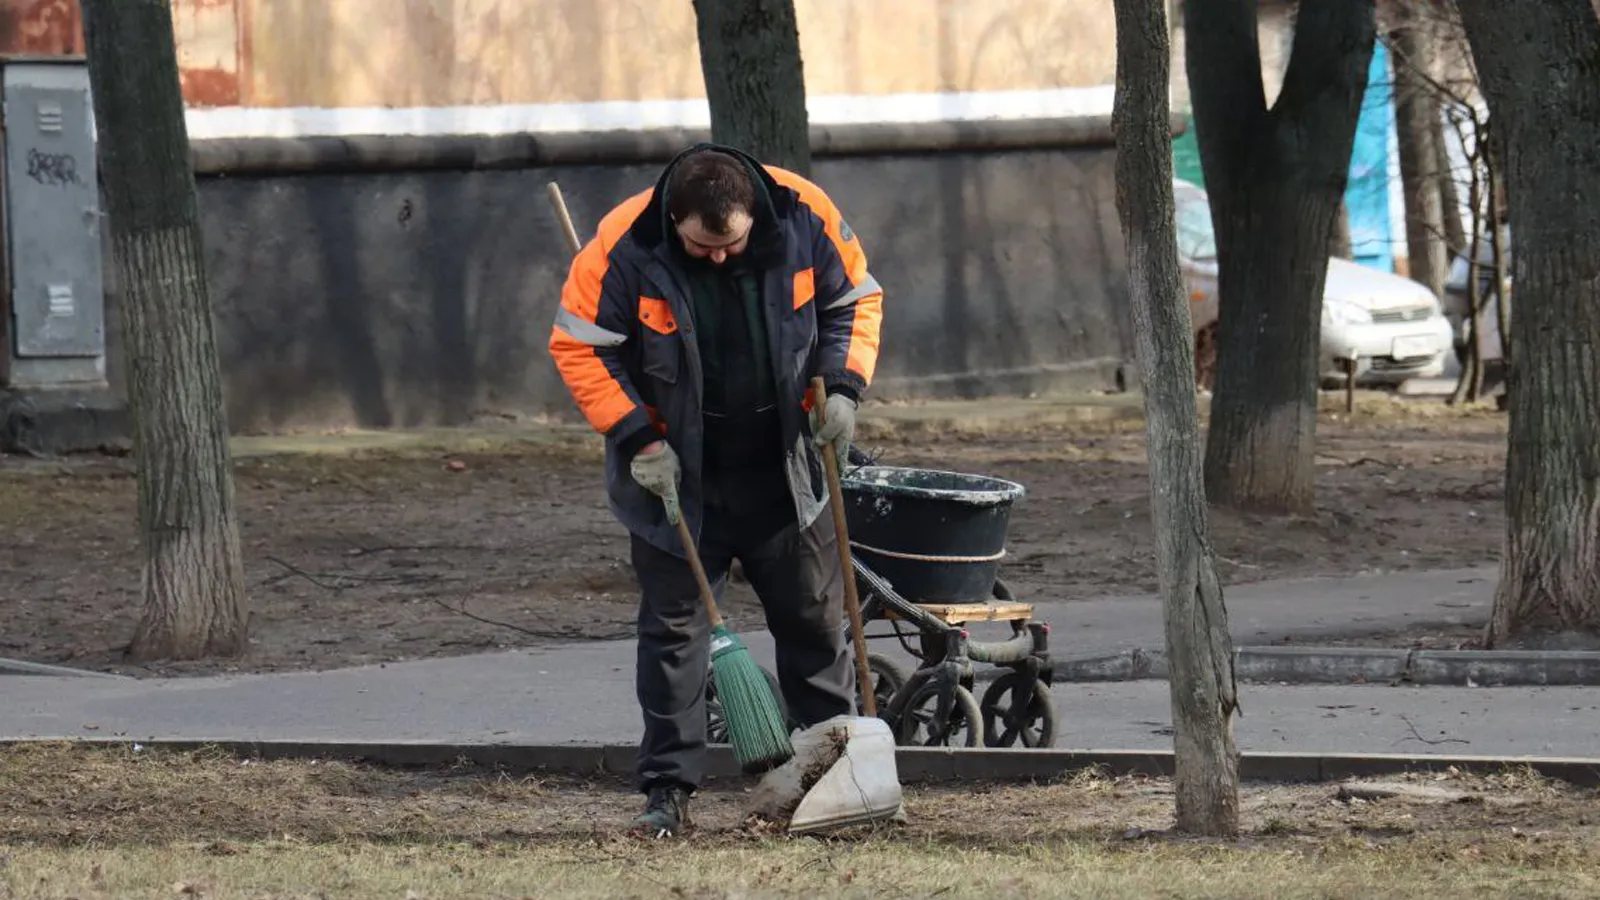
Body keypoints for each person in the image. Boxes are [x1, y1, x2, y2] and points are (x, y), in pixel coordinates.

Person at [547, 142, 885, 837]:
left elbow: (854, 301)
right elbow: (579, 346)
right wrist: (638, 439)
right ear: (674, 221)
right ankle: (667, 794)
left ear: (752, 214)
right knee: (673, 639)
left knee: (815, 625)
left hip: (784, 473)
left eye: (733, 243)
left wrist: (844, 388)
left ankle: (832, 780)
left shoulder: (805, 215)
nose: (722, 257)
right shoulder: (623, 245)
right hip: (676, 479)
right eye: (704, 247)